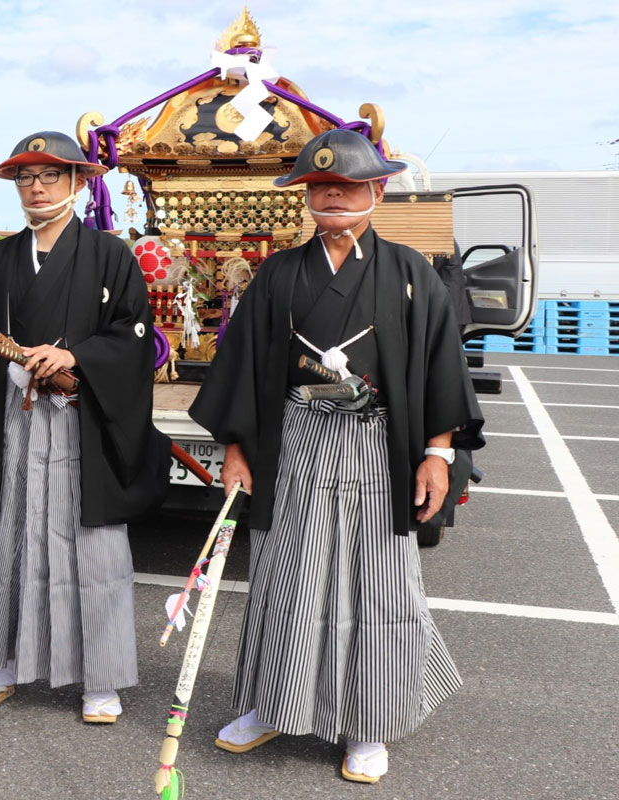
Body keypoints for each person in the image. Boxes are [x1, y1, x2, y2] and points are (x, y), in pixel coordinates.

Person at [188, 129, 485, 783]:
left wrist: (437, 454)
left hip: (378, 445)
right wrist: (236, 445)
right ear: (306, 195)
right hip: (294, 439)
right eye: (320, 185)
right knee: (283, 574)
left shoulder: (411, 274)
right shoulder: (279, 274)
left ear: (376, 190)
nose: (333, 195)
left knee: (376, 582)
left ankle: (367, 723)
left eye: (348, 184)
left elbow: (442, 365)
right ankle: (273, 702)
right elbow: (240, 365)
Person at [0, 131, 169, 723]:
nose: (37, 187)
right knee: (10, 540)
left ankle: (100, 677)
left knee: (90, 548)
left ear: (77, 183)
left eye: (51, 176)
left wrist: (76, 359)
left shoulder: (108, 255)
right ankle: (1, 662)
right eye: (27, 177)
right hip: (16, 426)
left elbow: (135, 337)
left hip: (80, 424)